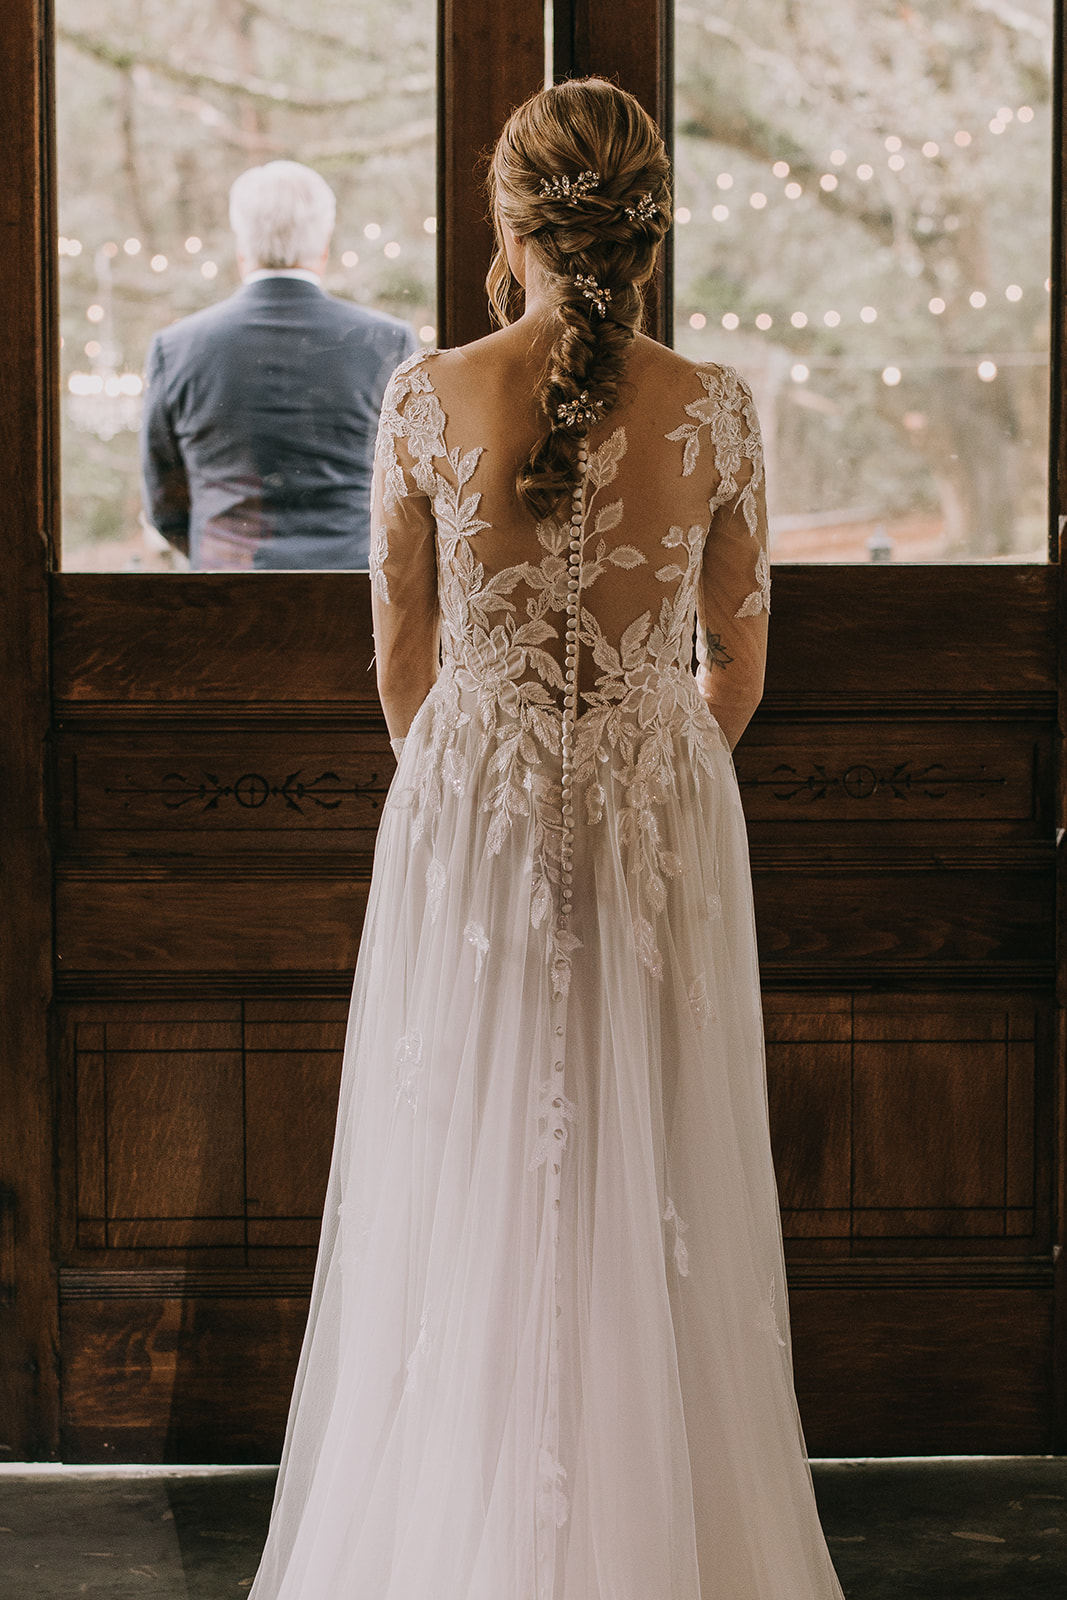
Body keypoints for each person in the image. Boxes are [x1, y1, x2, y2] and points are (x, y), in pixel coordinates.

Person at [249, 80, 844, 1600]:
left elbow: (399, 645)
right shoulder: (714, 403)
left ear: (507, 218)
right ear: (651, 222)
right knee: (649, 1152)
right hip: (657, 812)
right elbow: (740, 662)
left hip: (477, 812)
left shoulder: (423, 391)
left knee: (471, 1154)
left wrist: (480, 775)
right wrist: (644, 766)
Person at [140, 160, 417, 570]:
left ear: (242, 245)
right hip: (354, 590)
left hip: (227, 588)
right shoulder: (387, 342)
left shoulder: (176, 347)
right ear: (324, 243)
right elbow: (413, 488)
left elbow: (165, 502)